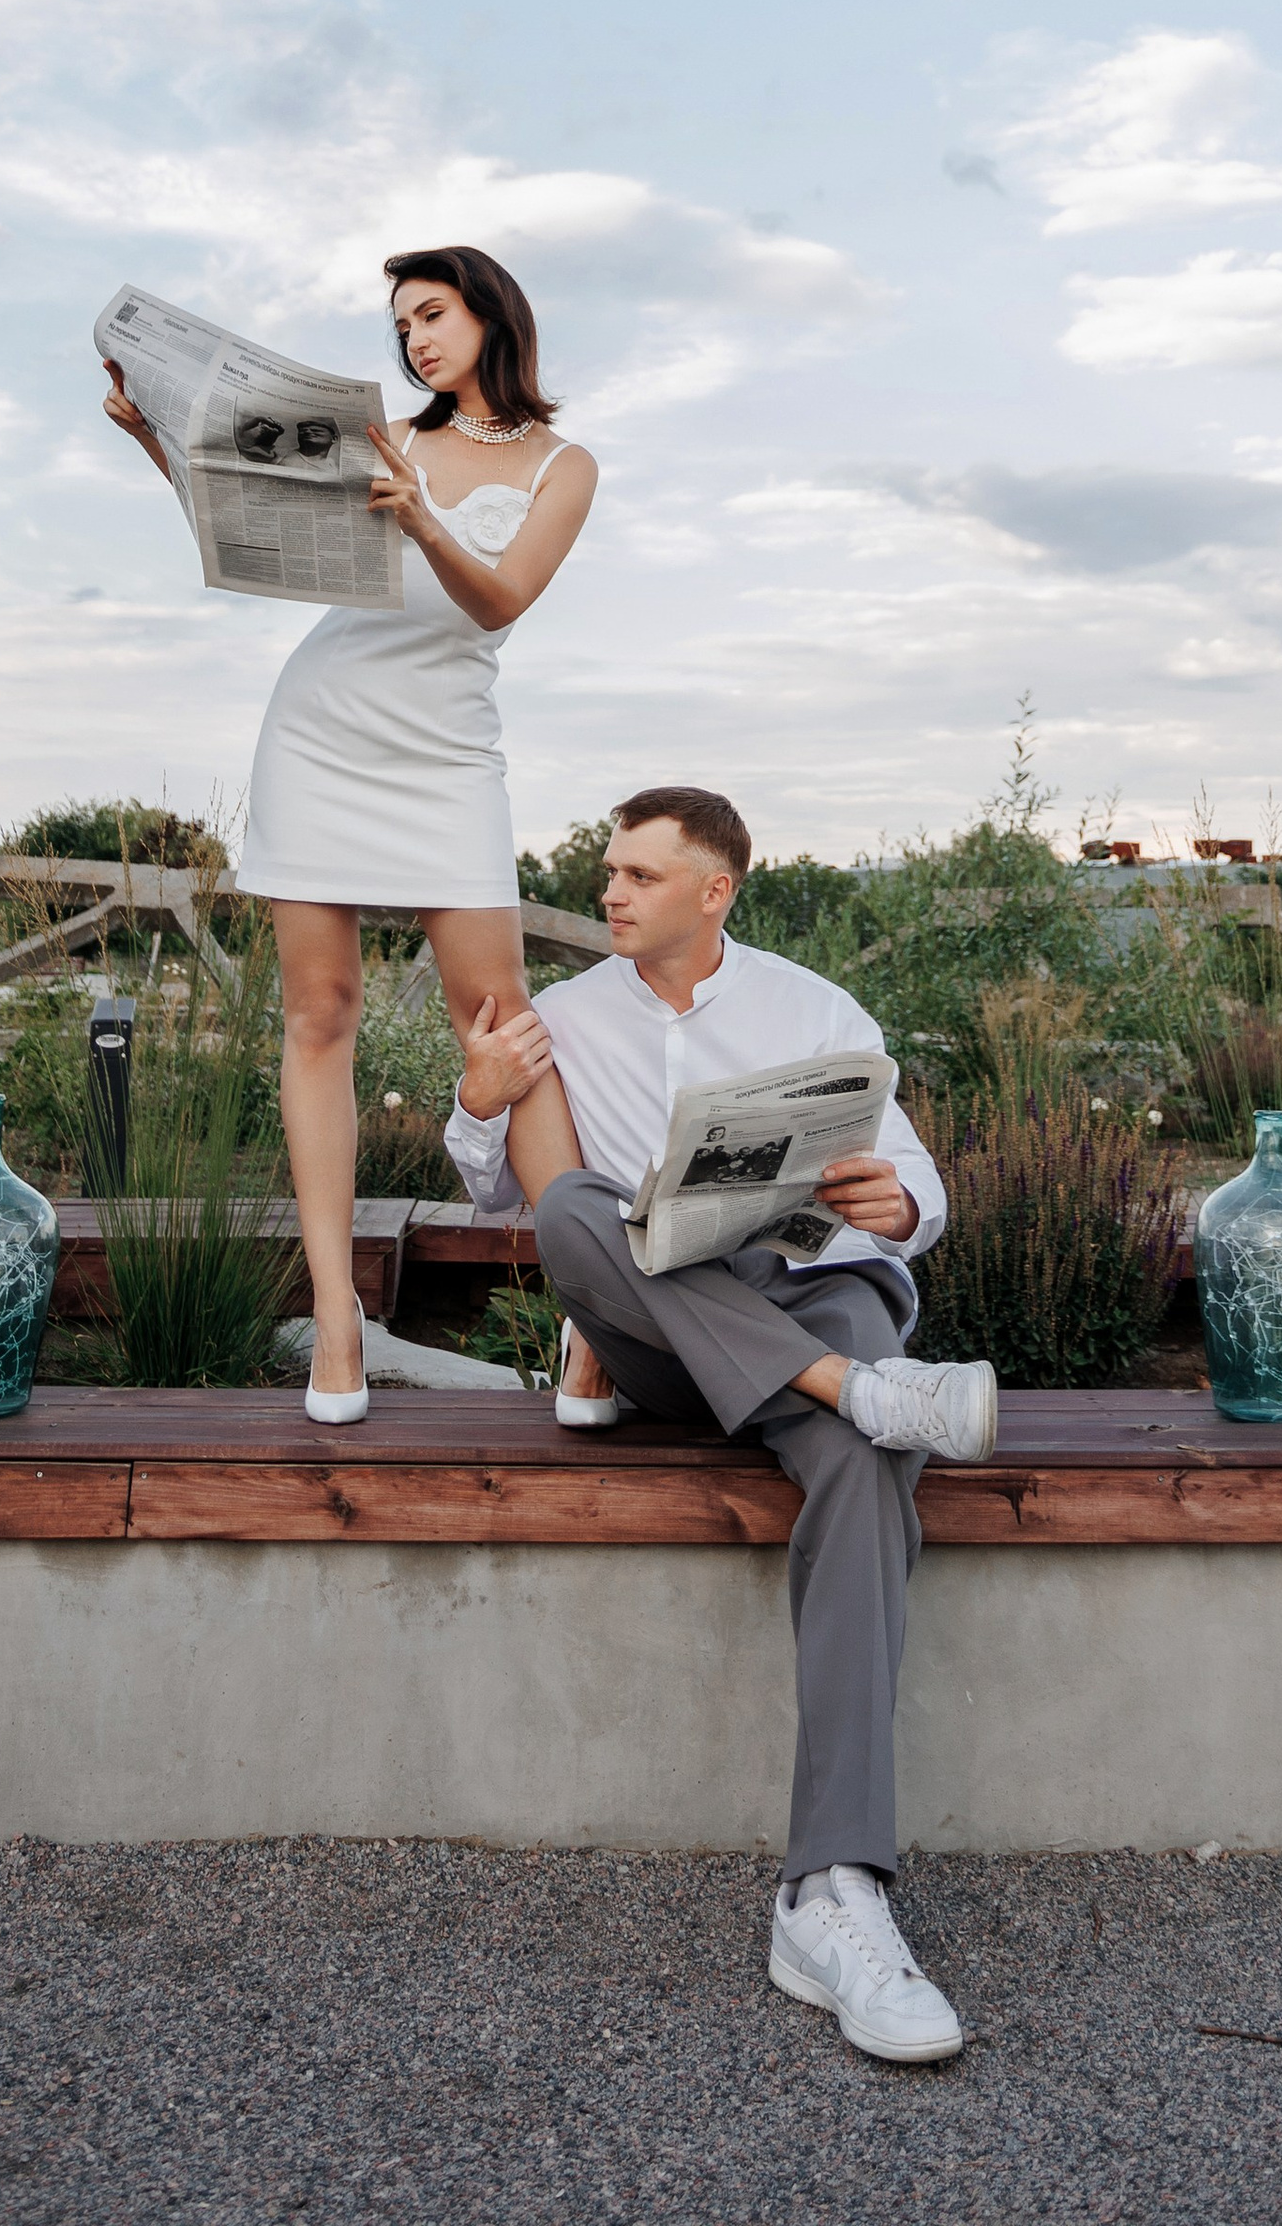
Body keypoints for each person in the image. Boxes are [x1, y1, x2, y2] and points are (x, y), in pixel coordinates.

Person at [444, 787, 999, 2067]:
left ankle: (830, 1893)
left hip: (814, 1286)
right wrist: (480, 1100)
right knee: (580, 1210)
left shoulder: (815, 1011)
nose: (612, 895)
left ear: (716, 890)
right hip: (671, 1331)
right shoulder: (567, 1022)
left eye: (641, 875)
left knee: (866, 1465)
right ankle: (855, 1390)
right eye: (608, 873)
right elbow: (489, 1192)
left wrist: (894, 1204)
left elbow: (919, 1188)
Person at [103, 245, 605, 1423]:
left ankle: (599, 1311)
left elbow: (500, 599)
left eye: (433, 314)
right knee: (317, 1013)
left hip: (447, 755)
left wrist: (424, 521)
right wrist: (153, 440)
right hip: (322, 731)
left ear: (491, 315)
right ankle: (338, 1317)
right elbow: (254, 536)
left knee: (502, 1026)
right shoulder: (380, 433)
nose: (416, 339)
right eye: (401, 325)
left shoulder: (565, 465)